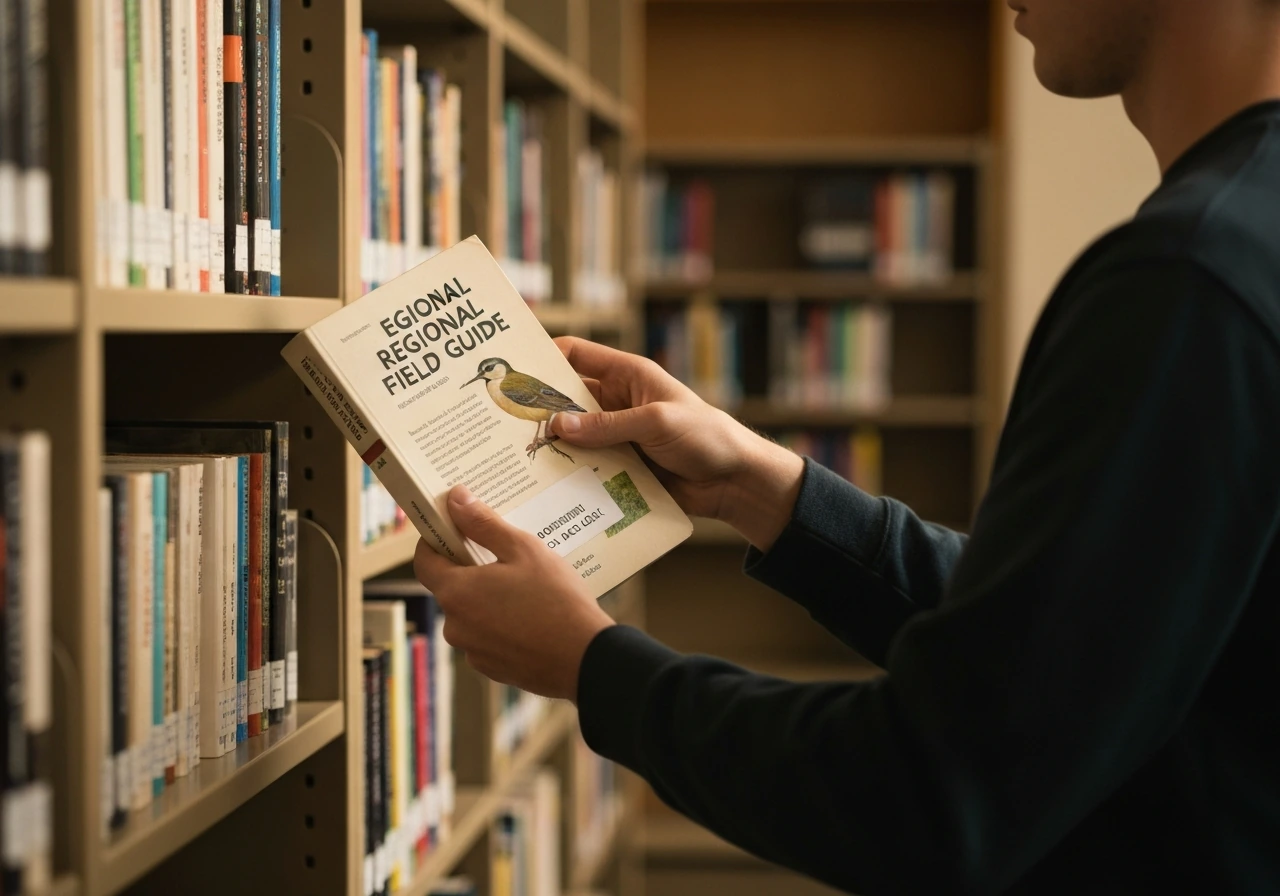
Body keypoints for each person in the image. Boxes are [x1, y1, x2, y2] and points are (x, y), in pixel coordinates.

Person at [413, 0, 1280, 891]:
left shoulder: (1188, 279)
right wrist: (772, 493)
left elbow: (935, 798)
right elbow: (1082, 655)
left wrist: (593, 667)